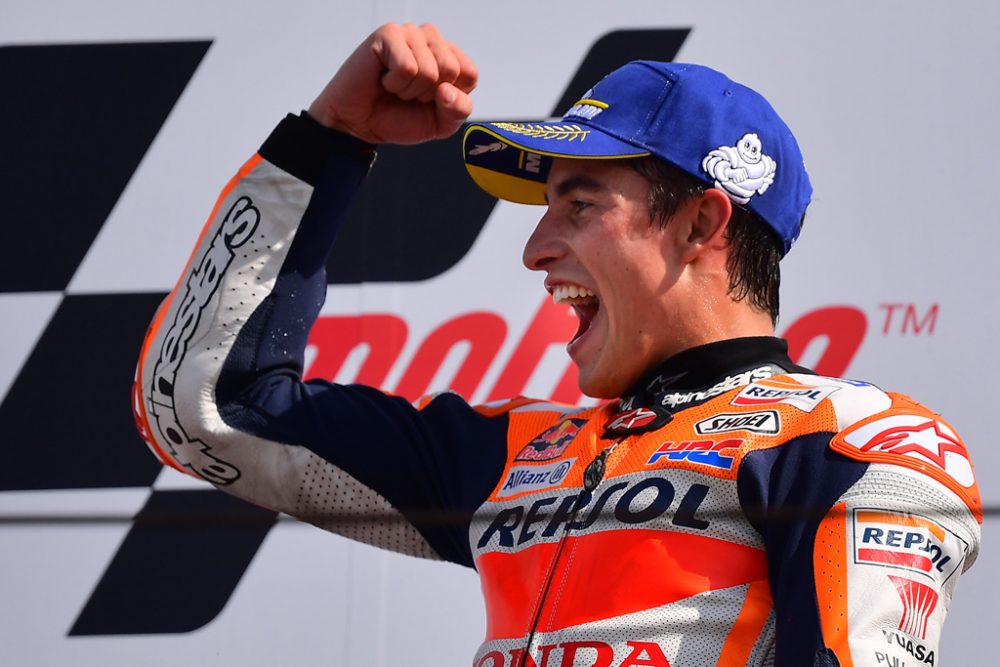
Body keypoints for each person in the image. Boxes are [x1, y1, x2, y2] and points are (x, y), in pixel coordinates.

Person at [132, 22, 981, 667]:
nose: (535, 249)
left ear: (700, 223)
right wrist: (332, 139)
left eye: (578, 206)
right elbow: (205, 409)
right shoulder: (517, 453)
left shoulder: (853, 444)